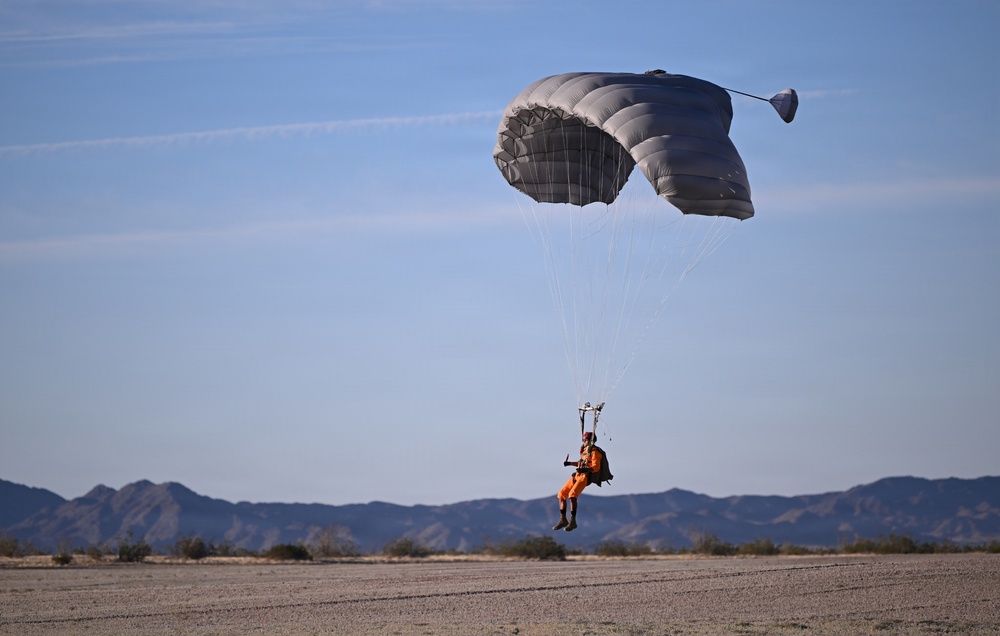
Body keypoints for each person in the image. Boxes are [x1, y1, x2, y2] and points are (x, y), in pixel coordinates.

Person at [553, 431, 604, 532]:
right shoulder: (585, 452)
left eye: (585, 440)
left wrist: (585, 470)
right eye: (583, 440)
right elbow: (580, 463)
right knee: (562, 494)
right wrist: (570, 463)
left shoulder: (595, 452)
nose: (583, 441)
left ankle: (573, 521)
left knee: (572, 494)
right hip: (577, 475)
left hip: (585, 477)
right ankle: (563, 519)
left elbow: (596, 467)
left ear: (590, 441)